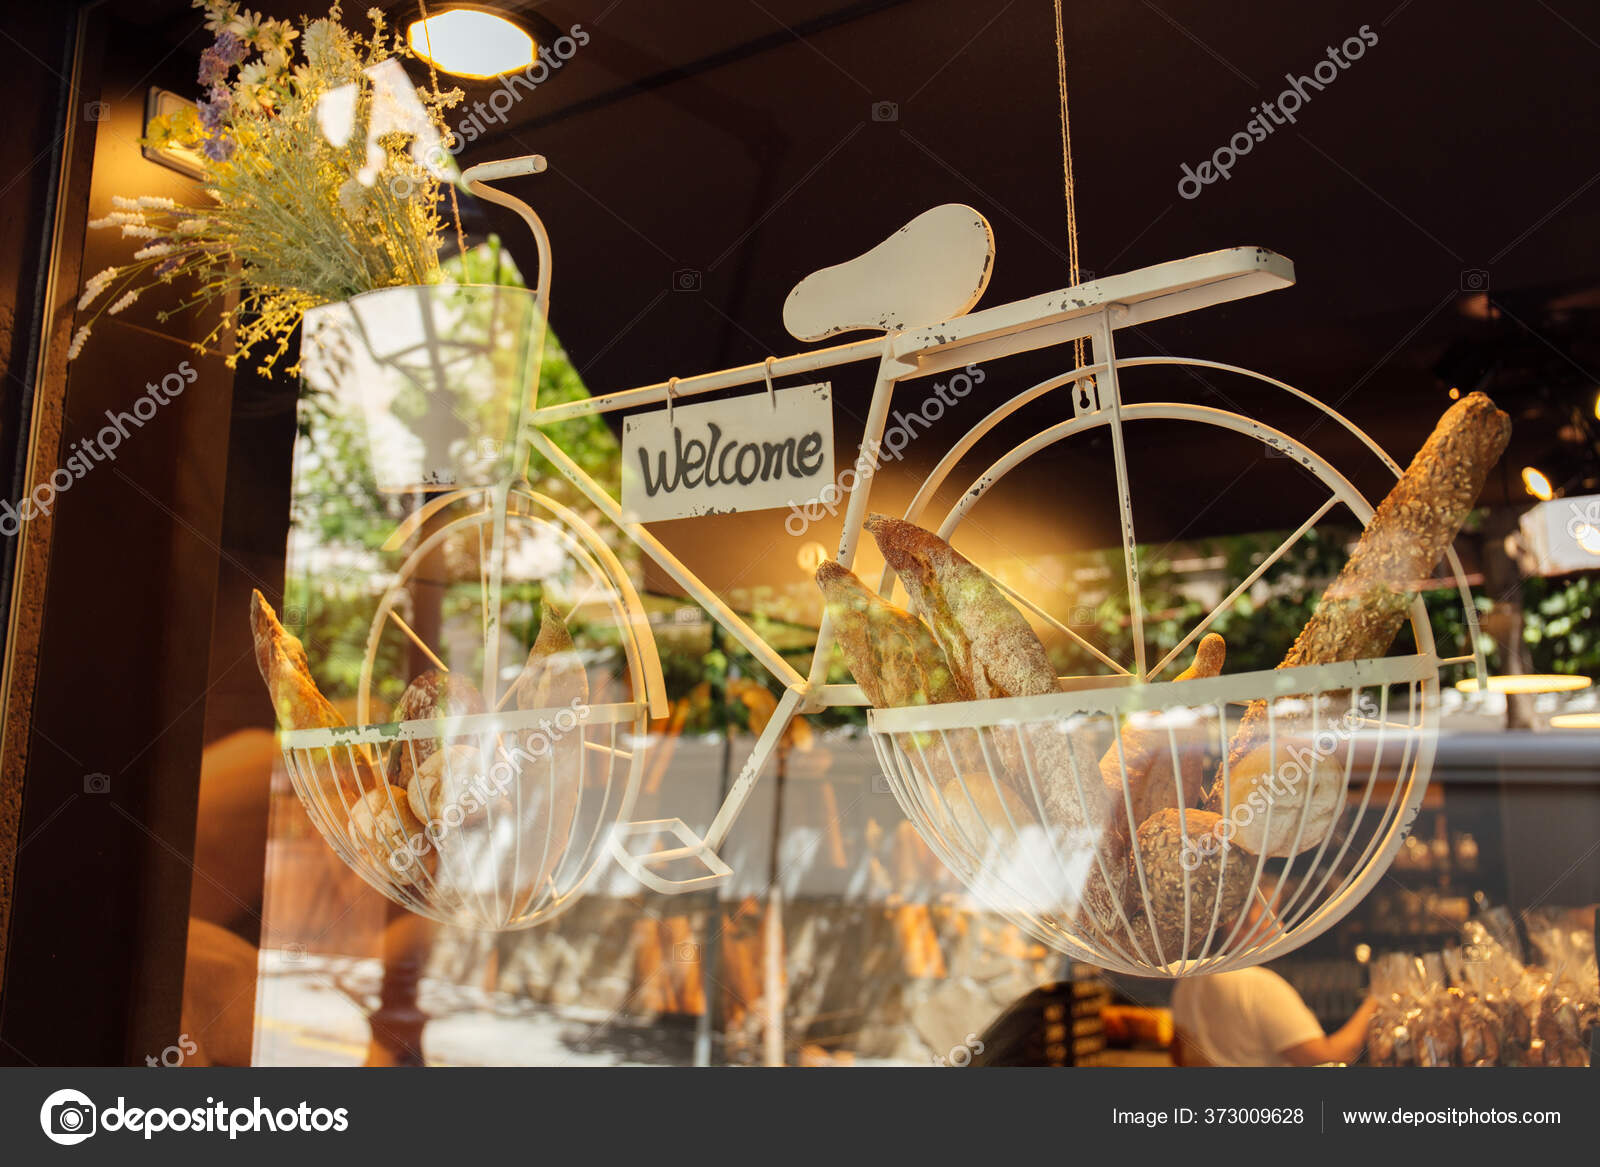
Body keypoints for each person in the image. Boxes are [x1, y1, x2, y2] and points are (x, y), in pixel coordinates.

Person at [1171, 966, 1379, 1066]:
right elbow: (1328, 1059)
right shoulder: (1260, 986)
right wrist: (1376, 1000)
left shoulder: (1189, 980)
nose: (1279, 923)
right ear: (1240, 919)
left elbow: (1178, 1056)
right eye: (1269, 913)